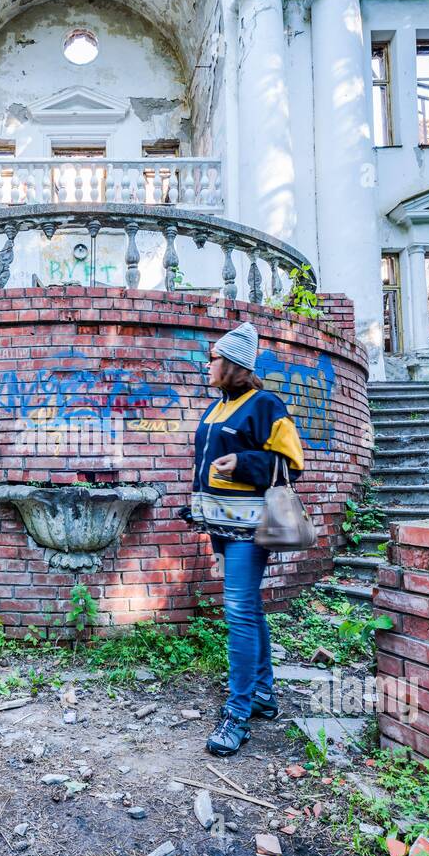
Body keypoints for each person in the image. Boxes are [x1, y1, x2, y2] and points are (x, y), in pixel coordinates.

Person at [182, 321, 304, 757]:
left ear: (234, 365)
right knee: (248, 608)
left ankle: (236, 714)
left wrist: (246, 462)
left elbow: (292, 464)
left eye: (214, 358)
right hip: (220, 523)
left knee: (237, 612)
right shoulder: (216, 409)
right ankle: (263, 694)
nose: (207, 364)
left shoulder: (265, 405)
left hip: (250, 529)